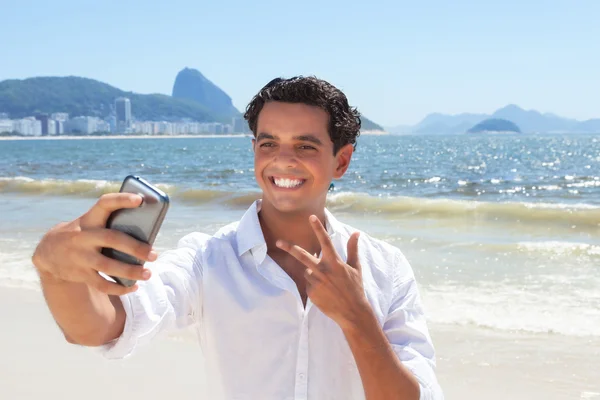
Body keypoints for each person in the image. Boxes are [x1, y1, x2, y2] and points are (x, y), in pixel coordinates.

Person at [32, 76, 444, 399]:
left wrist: (357, 318)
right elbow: (100, 328)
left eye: (305, 145)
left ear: (342, 160)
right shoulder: (208, 259)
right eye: (269, 143)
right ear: (254, 151)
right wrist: (54, 270)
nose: (283, 159)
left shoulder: (384, 267)